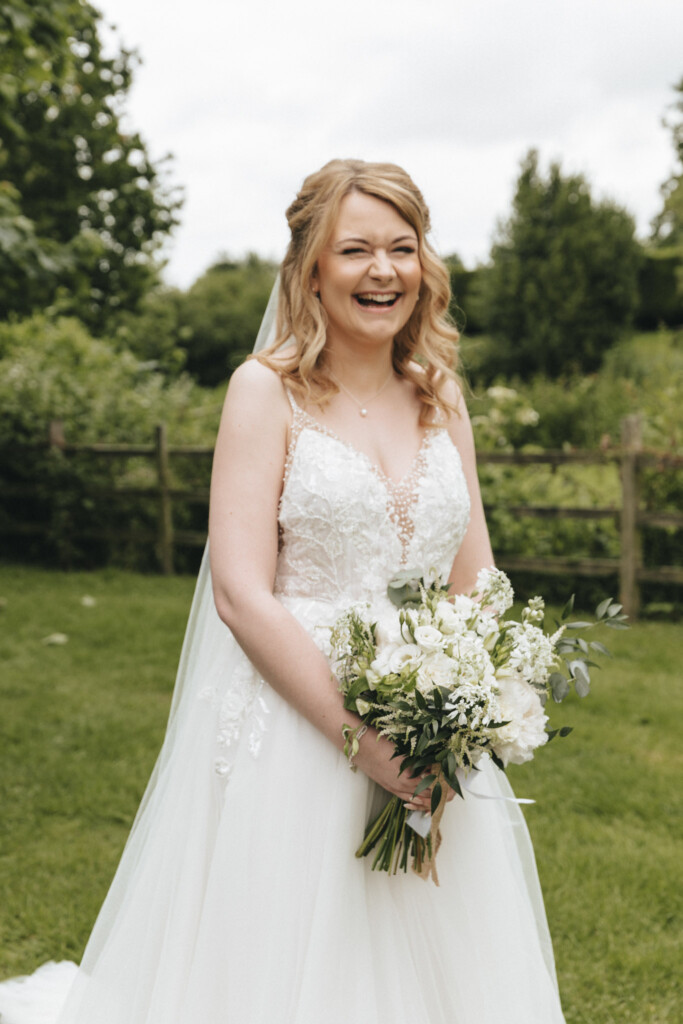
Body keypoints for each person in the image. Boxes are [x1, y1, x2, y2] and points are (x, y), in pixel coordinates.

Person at [0, 158, 566, 1023]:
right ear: (310, 268)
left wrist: (463, 711)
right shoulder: (266, 391)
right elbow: (239, 592)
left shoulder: (440, 396)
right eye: (356, 250)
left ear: (425, 266)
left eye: (402, 249)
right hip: (298, 730)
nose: (383, 271)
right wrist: (360, 739)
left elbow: (476, 578)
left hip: (432, 736)